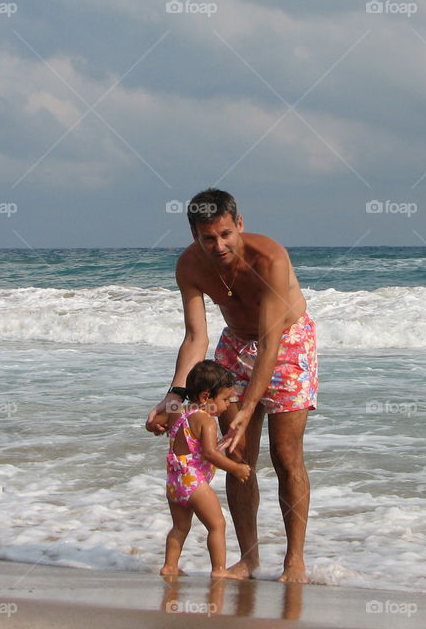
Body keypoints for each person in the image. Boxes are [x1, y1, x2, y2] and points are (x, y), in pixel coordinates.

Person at [146, 188, 317, 583]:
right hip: (235, 345)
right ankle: (248, 559)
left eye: (226, 234)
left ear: (239, 224)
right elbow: (195, 338)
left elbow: (270, 344)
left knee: (286, 455)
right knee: (238, 456)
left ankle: (294, 561)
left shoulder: (269, 258)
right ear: (195, 236)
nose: (219, 245)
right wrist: (174, 396)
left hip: (287, 343)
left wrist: (248, 407)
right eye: (208, 238)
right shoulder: (189, 265)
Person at [157, 360, 251, 578]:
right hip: (194, 484)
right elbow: (209, 453)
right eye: (225, 399)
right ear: (205, 397)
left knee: (180, 527)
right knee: (217, 525)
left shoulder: (177, 410)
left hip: (174, 483)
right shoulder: (207, 421)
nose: (227, 405)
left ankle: (169, 566)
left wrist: (153, 424)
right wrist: (236, 468)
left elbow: (156, 421)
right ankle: (219, 570)